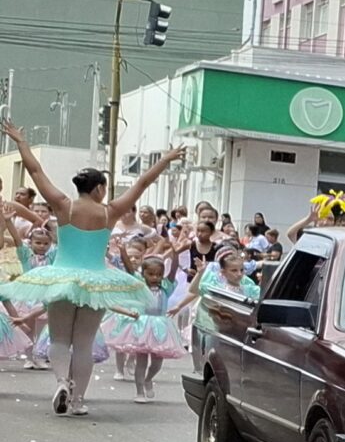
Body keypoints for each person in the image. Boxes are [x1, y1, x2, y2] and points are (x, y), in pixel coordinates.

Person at [0, 120, 180, 417]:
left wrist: (21, 142)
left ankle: (61, 381)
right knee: (83, 343)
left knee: (59, 338)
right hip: (96, 280)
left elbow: (35, 171)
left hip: (61, 277)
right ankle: (78, 400)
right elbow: (142, 184)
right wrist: (164, 160)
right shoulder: (110, 211)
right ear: (99, 188)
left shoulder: (63, 205)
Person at [101, 256, 187, 402]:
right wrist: (123, 252)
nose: (155, 278)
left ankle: (148, 379)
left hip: (160, 327)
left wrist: (176, 253)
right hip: (142, 326)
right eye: (151, 274)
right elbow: (130, 270)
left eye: (159, 274)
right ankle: (139, 392)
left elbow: (173, 272)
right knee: (141, 361)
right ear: (143, 274)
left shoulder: (165, 288)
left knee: (157, 363)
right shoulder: (140, 286)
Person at [188, 248, 260, 373]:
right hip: (220, 334)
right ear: (223, 272)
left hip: (241, 334)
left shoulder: (250, 289)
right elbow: (194, 290)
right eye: (234, 270)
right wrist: (200, 273)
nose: (239, 274)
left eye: (241, 270)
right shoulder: (218, 289)